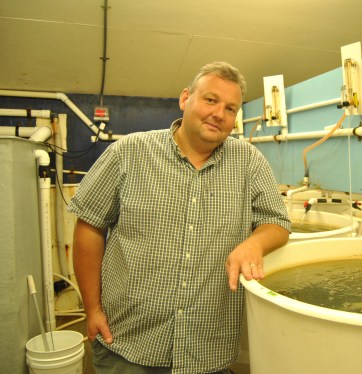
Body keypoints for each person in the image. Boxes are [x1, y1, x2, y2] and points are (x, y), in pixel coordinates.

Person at [69, 61, 291, 374]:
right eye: (210, 100)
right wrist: (91, 309)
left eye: (230, 108)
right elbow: (89, 226)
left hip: (207, 349)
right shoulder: (129, 152)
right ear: (185, 98)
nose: (219, 114)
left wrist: (255, 243)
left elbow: (277, 223)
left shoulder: (249, 162)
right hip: (128, 342)